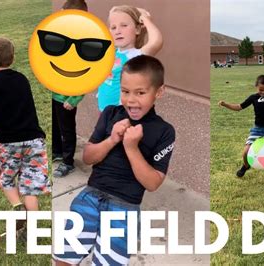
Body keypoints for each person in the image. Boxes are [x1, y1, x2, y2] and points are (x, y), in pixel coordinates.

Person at [53, 55, 175, 265]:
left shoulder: (164, 131)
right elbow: (88, 157)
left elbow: (153, 182)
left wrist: (131, 147)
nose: (131, 100)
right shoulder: (110, 114)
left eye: (140, 93)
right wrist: (112, 139)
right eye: (125, 91)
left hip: (124, 207)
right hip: (90, 196)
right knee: (63, 259)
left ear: (159, 92)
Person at [0, 38, 50, 228]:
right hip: (34, 140)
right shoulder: (21, 79)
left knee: (6, 179)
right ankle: (31, 230)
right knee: (30, 187)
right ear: (12, 57)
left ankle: (18, 207)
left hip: (8, 143)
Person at [97, 5, 163, 112]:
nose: (118, 31)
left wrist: (146, 19)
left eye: (124, 25)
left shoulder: (136, 56)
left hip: (120, 112)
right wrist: (113, 12)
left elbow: (156, 41)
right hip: (103, 110)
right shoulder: (112, 52)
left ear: (137, 29)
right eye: (113, 27)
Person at [52, 0, 87, 177]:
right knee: (56, 127)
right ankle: (57, 152)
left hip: (67, 99)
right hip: (54, 94)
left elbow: (86, 76)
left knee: (67, 129)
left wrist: (73, 99)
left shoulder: (82, 42)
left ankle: (68, 162)